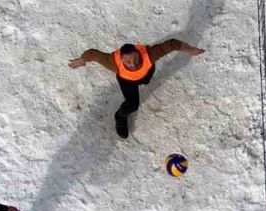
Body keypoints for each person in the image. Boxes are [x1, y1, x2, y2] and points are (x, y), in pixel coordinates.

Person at [67, 39, 205, 138]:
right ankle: (120, 117)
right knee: (132, 104)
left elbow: (172, 44)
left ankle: (143, 79)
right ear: (121, 59)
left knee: (145, 79)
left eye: (136, 59)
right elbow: (93, 54)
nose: (133, 64)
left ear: (139, 54)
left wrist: (191, 50)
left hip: (146, 73)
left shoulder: (150, 54)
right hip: (127, 81)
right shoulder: (112, 62)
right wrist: (82, 60)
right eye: (128, 61)